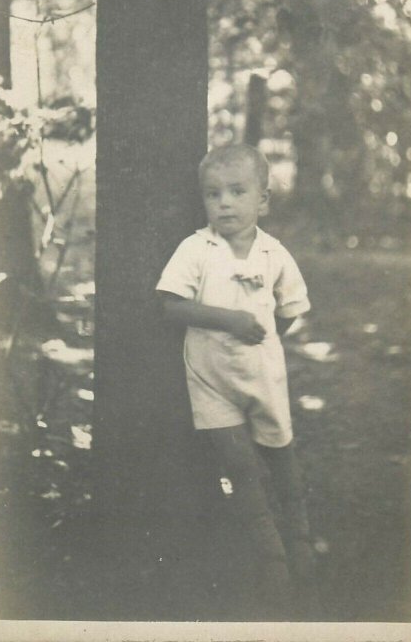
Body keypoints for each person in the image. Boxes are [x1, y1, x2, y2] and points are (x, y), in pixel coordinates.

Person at [156, 144, 318, 619]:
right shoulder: (196, 248)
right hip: (210, 382)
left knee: (281, 456)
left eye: (237, 192)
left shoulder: (274, 253)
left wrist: (261, 340)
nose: (224, 203)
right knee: (242, 469)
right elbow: (170, 305)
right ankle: (272, 558)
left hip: (263, 378)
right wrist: (230, 321)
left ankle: (301, 538)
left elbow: (290, 310)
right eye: (213, 194)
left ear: (262, 200)